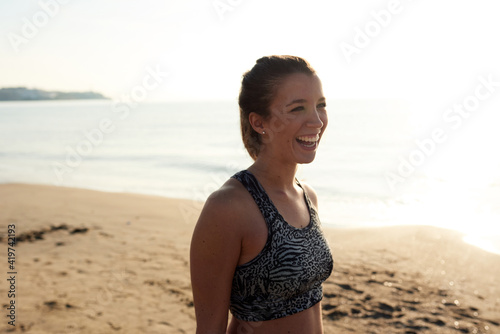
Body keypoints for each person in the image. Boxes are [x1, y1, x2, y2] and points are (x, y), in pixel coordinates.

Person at [190, 55, 334, 334]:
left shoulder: (308, 197)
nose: (316, 121)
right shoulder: (228, 207)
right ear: (259, 122)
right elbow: (210, 329)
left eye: (321, 106)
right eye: (297, 109)